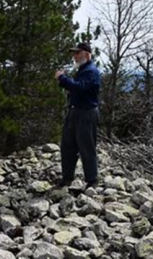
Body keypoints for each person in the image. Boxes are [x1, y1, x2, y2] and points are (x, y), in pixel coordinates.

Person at [54, 42, 101, 190]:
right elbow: (78, 87)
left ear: (86, 54)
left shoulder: (91, 71)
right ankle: (67, 177)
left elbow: (80, 87)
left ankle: (92, 180)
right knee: (67, 145)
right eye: (74, 53)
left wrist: (62, 79)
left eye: (77, 53)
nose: (74, 56)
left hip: (86, 112)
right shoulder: (84, 69)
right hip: (76, 111)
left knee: (86, 146)